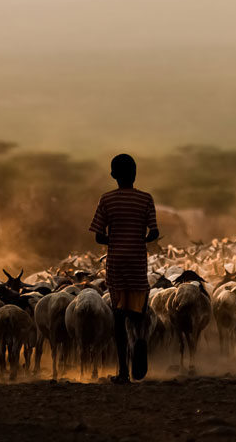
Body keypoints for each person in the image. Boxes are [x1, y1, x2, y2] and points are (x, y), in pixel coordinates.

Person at [89, 153, 159, 384]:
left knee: (118, 318)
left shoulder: (106, 200)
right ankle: (140, 341)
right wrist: (138, 238)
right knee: (138, 315)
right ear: (135, 173)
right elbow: (154, 233)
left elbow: (99, 236)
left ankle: (122, 372)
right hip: (138, 263)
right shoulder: (146, 199)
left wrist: (116, 239)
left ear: (113, 175)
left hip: (116, 263)